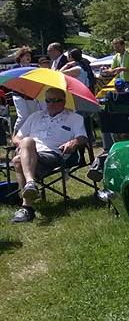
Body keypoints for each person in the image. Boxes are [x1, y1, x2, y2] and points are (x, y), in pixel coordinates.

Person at [9, 88, 88, 223]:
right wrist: (21, 145)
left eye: (57, 100)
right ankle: (28, 203)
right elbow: (16, 137)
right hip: (30, 153)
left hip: (55, 154)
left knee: (21, 154)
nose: (52, 103)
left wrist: (73, 142)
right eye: (48, 100)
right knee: (20, 154)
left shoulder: (74, 118)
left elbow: (83, 137)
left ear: (64, 101)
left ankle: (28, 194)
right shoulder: (35, 116)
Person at [11, 47, 39, 135]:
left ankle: (28, 136)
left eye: (29, 56)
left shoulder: (35, 68)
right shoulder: (15, 67)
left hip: (31, 96)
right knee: (23, 116)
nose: (29, 57)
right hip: (18, 95)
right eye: (26, 55)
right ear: (20, 57)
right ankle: (14, 136)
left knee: (32, 117)